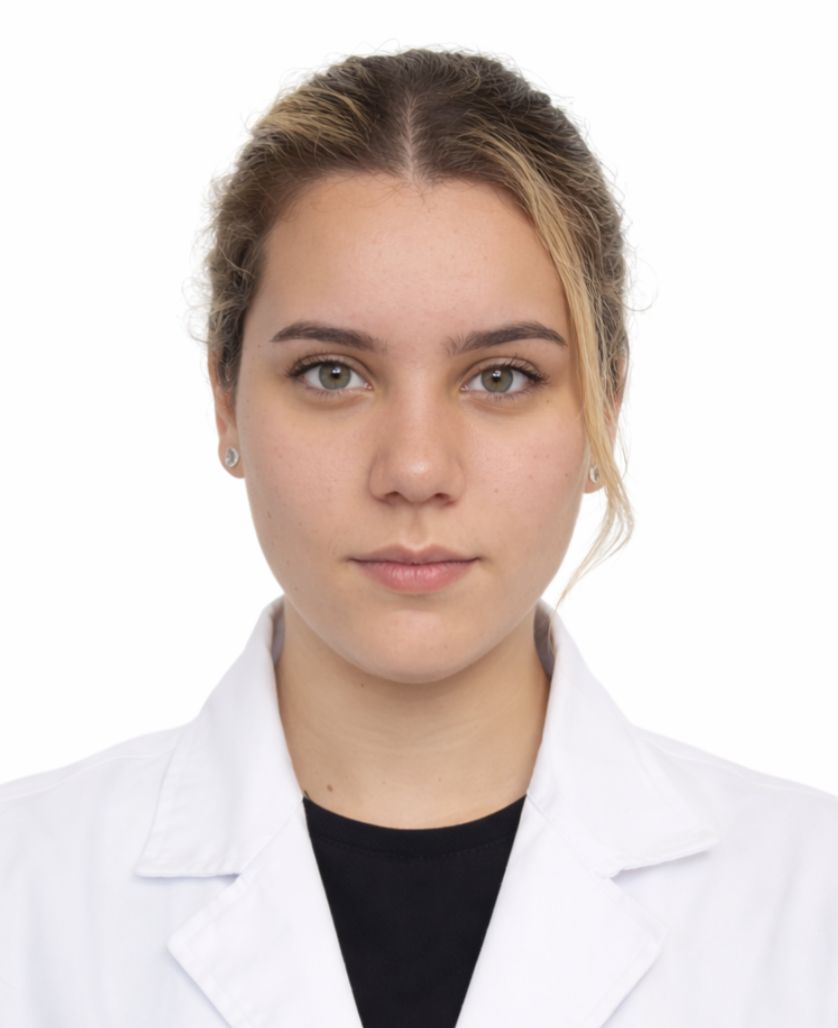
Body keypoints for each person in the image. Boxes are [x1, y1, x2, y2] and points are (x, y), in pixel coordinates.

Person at [1, 46, 836, 1028]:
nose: (415, 468)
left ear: (603, 410)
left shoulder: (808, 903)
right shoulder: (27, 892)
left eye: (500, 377)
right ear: (226, 400)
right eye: (331, 373)